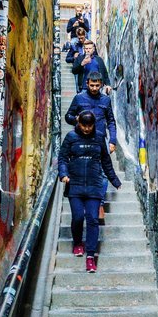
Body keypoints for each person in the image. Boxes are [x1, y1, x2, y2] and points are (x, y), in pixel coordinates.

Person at [58, 110, 121, 272]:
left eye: (89, 125)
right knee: (78, 217)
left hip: (94, 184)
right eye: (84, 125)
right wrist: (63, 174)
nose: (86, 129)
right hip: (75, 184)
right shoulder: (71, 137)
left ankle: (91, 256)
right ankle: (78, 242)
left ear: (93, 124)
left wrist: (114, 180)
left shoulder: (99, 137)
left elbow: (106, 161)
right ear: (78, 123)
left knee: (93, 219)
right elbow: (62, 158)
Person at [65, 72, 116, 221]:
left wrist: (113, 140)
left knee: (103, 173)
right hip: (81, 139)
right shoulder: (79, 98)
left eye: (97, 85)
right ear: (87, 83)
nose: (94, 88)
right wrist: (76, 120)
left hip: (100, 141)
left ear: (101, 85)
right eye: (92, 85)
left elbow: (111, 121)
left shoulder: (106, 100)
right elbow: (68, 116)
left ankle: (100, 204)